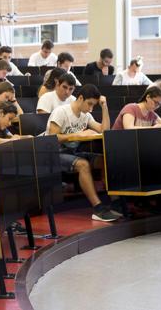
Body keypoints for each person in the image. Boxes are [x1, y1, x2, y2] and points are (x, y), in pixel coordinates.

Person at [46, 84, 118, 222]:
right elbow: (52, 139)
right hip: (53, 153)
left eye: (94, 105)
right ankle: (98, 208)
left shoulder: (86, 115)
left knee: (103, 160)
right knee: (83, 164)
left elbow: (104, 130)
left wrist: (104, 107)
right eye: (89, 104)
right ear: (80, 98)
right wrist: (78, 135)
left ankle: (115, 202)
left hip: (72, 152)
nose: (91, 108)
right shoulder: (61, 112)